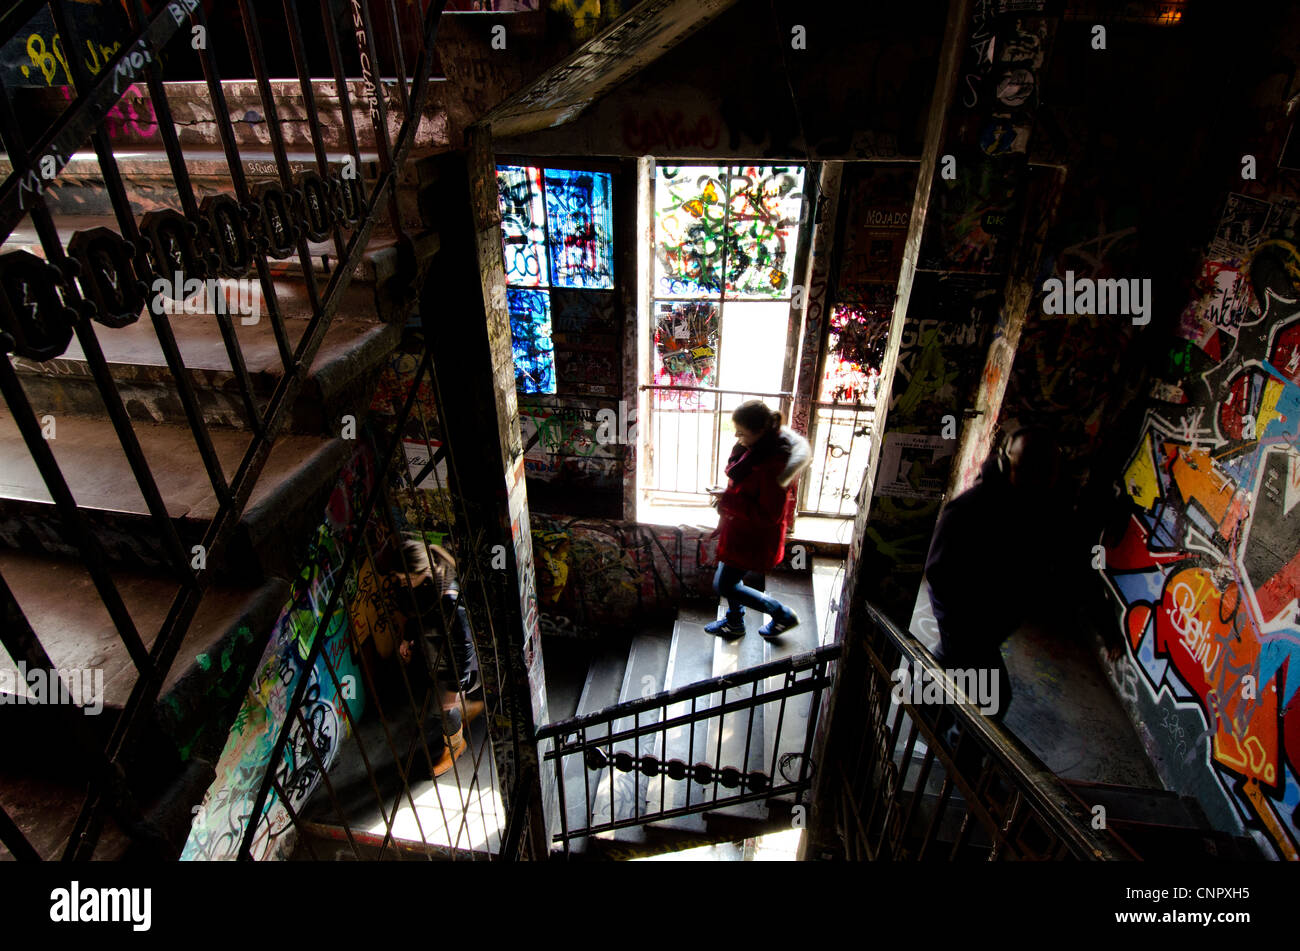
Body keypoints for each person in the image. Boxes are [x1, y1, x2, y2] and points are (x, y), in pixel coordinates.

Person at [705, 400, 811, 638]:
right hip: (739, 533)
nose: (736, 436)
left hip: (752, 539)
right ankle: (734, 621)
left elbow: (769, 514)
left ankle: (781, 613)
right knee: (728, 580)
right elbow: (748, 489)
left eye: (741, 432)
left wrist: (728, 502)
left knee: (724, 585)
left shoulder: (773, 466)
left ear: (760, 431)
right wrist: (727, 495)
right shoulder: (754, 450)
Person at [390, 537, 483, 777]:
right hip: (433, 656)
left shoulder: (448, 598)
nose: (403, 583)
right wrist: (406, 639)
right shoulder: (419, 588)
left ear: (421, 570)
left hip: (451, 664)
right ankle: (464, 707)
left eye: (406, 578)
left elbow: (465, 645)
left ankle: (454, 746)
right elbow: (415, 616)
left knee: (442, 709)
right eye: (401, 579)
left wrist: (455, 686)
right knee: (437, 705)